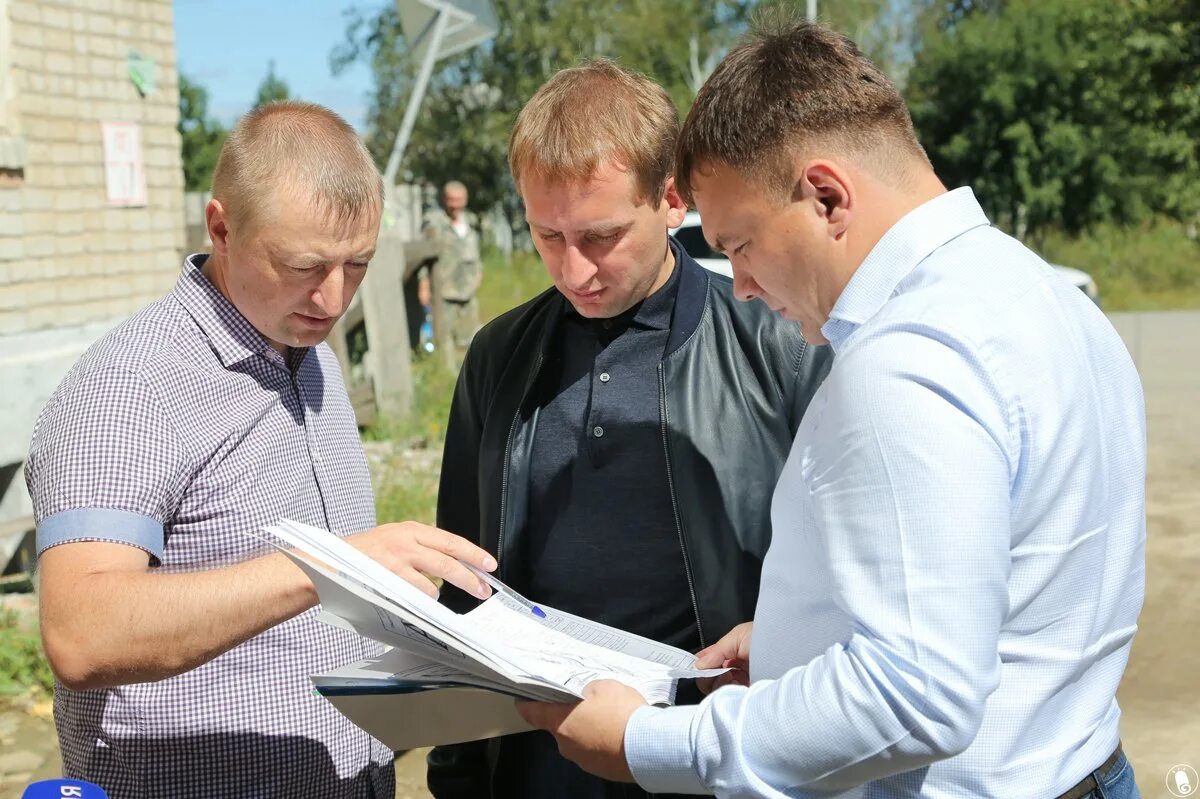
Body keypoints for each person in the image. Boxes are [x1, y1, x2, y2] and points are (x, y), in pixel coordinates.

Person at [517, 21, 1146, 799]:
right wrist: (794, 647)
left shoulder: (906, 360)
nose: (739, 285)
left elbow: (914, 694)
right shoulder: (1039, 293)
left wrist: (649, 740)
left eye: (741, 243)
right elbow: (996, 585)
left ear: (826, 196)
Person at [26, 101, 498, 799]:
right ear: (221, 226)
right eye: (304, 264)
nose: (334, 298)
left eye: (358, 264)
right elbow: (81, 631)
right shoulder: (130, 387)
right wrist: (334, 567)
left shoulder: (312, 356)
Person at [427, 60, 831, 799]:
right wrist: (459, 773)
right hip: (536, 762)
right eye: (547, 235)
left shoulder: (778, 341)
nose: (574, 269)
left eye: (601, 236)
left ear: (672, 199)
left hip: (710, 753)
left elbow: (843, 571)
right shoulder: (498, 357)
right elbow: (461, 584)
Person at [423, 180, 483, 357]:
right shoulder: (433, 223)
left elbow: (476, 250)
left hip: (468, 288)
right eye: (452, 200)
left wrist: (479, 272)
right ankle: (447, 375)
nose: (456, 205)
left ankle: (470, 372)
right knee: (444, 336)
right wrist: (424, 285)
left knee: (471, 336)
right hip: (444, 289)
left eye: (460, 200)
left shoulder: (471, 222)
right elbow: (424, 258)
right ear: (444, 199)